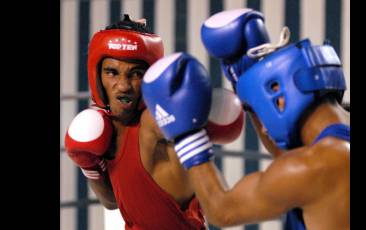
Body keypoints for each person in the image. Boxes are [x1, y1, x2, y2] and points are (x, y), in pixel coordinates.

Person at [142, 8, 350, 230]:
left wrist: (186, 134)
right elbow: (292, 161)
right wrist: (246, 81)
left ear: (278, 95)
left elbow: (223, 211)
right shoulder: (329, 153)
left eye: (258, 105)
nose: (265, 129)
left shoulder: (315, 167)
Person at [64, 14, 244, 230]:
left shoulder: (153, 121)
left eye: (136, 73)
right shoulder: (103, 129)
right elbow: (112, 202)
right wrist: (90, 166)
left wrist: (209, 110)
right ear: (97, 76)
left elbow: (190, 114)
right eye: (112, 72)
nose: (123, 86)